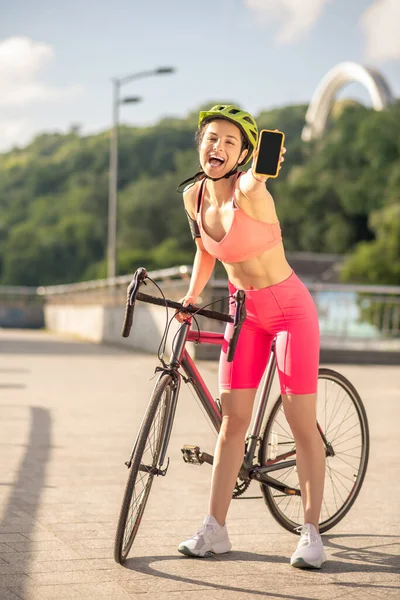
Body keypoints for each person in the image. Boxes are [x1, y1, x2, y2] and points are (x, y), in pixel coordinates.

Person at [176, 104, 326, 569]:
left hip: (288, 312)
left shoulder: (247, 190)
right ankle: (215, 529)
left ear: (242, 154)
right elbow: (204, 251)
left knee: (302, 422)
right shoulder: (193, 197)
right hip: (244, 313)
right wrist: (190, 297)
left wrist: (263, 169)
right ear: (199, 144)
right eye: (210, 138)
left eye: (228, 141)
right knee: (232, 421)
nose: (216, 147)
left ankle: (311, 533)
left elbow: (255, 180)